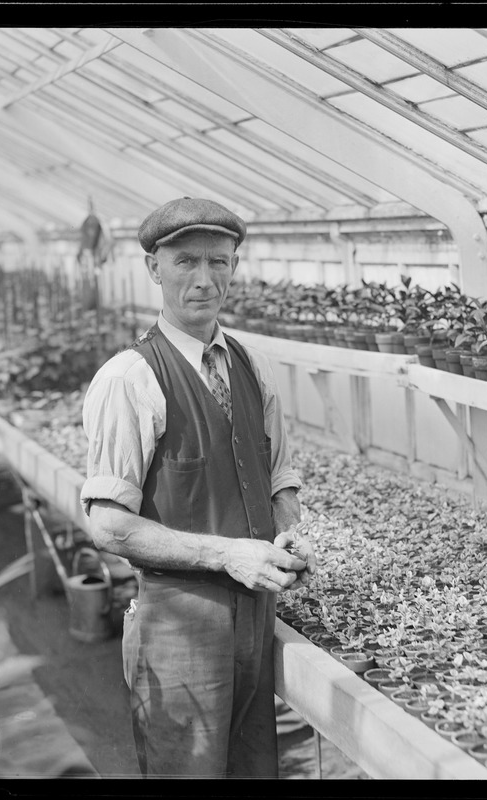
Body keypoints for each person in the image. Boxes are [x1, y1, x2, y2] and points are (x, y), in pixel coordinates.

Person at [80, 197, 317, 779]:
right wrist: (226, 553)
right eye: (186, 262)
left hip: (256, 617)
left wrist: (288, 530)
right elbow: (108, 522)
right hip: (179, 624)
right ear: (155, 269)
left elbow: (278, 477)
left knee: (253, 765)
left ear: (235, 265)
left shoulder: (251, 366)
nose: (205, 280)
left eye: (219, 261)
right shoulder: (130, 378)